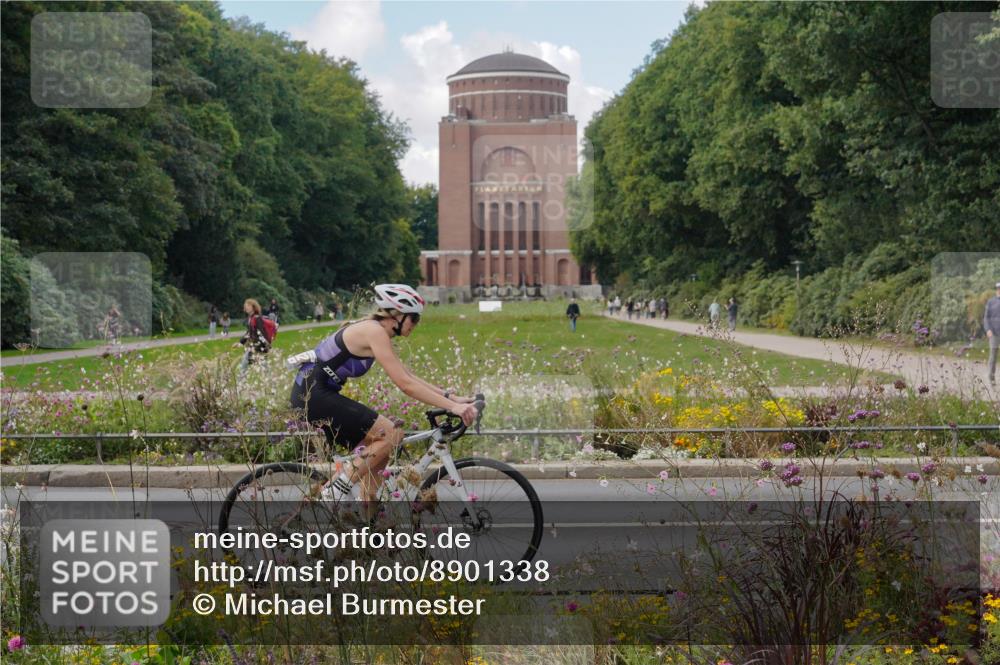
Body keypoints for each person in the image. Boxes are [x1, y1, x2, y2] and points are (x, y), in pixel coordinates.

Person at [288, 284, 478, 504]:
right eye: (414, 318)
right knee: (391, 434)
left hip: (318, 393)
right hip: (312, 395)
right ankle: (334, 491)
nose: (416, 324)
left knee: (378, 459)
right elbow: (405, 385)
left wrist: (451, 399)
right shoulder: (374, 331)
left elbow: (408, 375)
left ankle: (368, 528)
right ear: (397, 315)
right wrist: (455, 408)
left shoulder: (376, 331)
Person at [235, 299, 270, 374]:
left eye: (248, 305)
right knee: (245, 365)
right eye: (245, 306)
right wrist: (240, 343)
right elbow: (249, 333)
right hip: (253, 347)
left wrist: (262, 346)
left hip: (258, 347)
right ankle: (240, 383)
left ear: (253, 307)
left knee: (263, 367)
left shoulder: (257, 318)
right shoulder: (250, 318)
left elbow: (262, 333)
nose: (246, 307)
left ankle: (271, 382)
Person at [985, 281, 1000, 386]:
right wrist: (988, 329)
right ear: (997, 290)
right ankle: (991, 377)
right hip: (994, 333)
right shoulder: (991, 302)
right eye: (998, 289)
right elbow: (986, 318)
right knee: (993, 355)